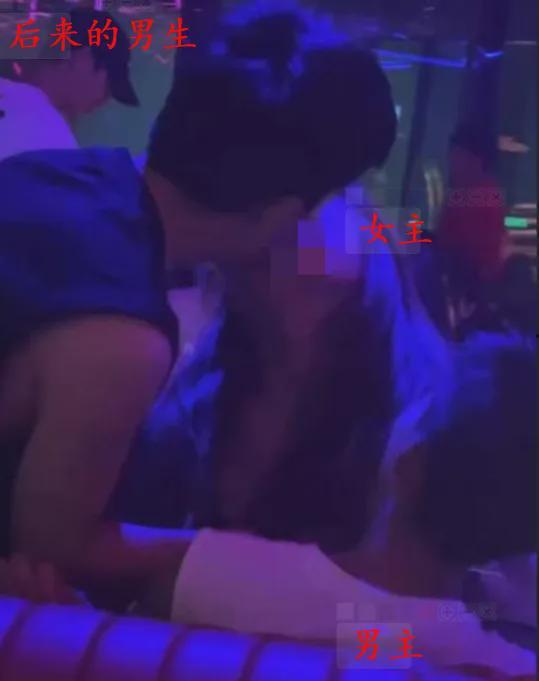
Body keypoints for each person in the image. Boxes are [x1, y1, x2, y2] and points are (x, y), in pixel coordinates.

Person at [0, 8, 397, 596]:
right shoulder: (122, 342)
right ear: (281, 213)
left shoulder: (45, 173)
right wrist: (262, 560)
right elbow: (51, 543)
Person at [1, 334, 535, 678]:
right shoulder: (503, 665)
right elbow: (381, 644)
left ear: (410, 465)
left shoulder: (225, 572)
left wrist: (64, 618)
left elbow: (73, 555)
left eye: (424, 402)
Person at [0, 8, 138, 161]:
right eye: (110, 85)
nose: (107, 98)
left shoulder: (11, 101)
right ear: (83, 59)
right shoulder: (46, 132)